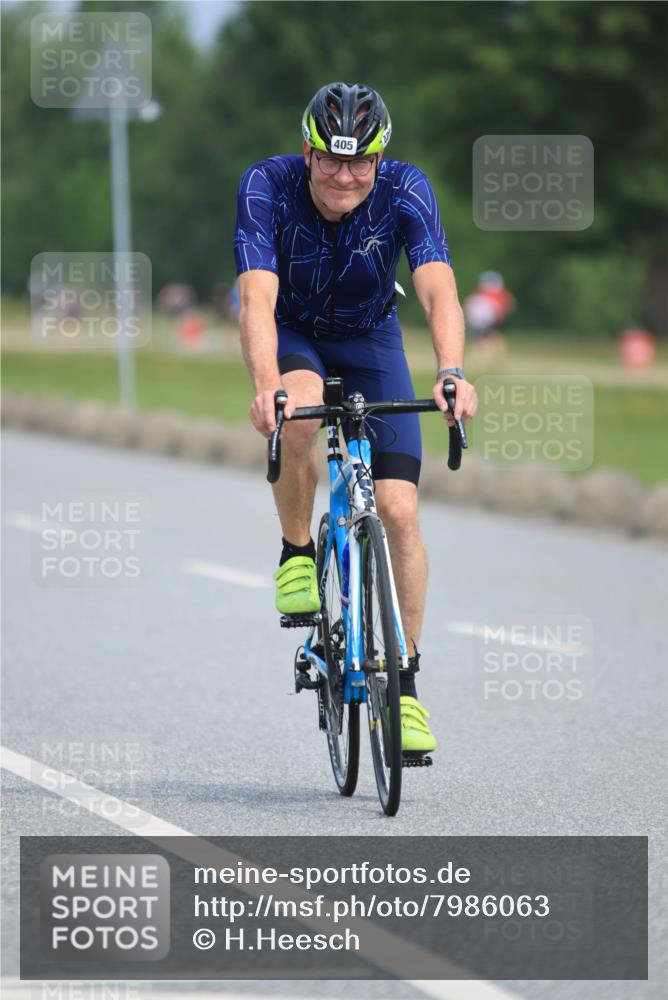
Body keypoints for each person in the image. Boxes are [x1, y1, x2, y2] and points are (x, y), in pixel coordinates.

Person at [233, 82, 477, 754]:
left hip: (372, 341)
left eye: (359, 163)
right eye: (330, 161)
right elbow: (256, 300)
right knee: (303, 410)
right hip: (293, 332)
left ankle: (404, 687)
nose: (344, 177)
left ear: (379, 158)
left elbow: (438, 285)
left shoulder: (406, 189)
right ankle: (297, 553)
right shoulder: (266, 186)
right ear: (308, 151)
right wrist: (266, 389)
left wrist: (451, 370)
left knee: (398, 511)